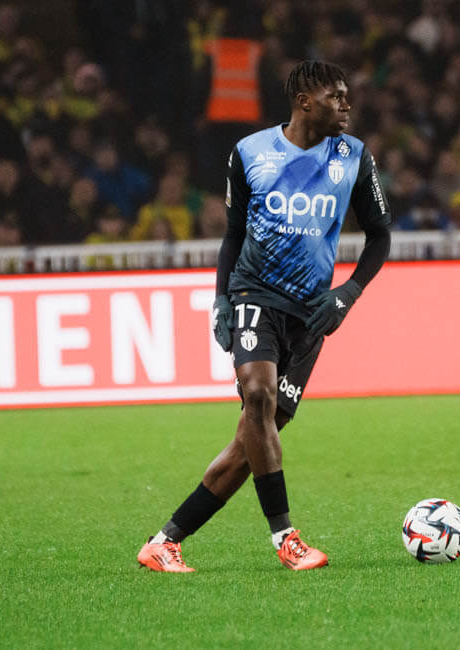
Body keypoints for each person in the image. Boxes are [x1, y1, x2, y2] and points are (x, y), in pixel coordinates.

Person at [137, 60, 392, 573]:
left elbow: (380, 236)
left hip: (312, 312)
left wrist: (347, 294)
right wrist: (221, 299)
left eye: (347, 95)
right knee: (258, 395)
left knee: (252, 439)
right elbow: (233, 234)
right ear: (304, 101)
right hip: (255, 293)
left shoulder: (354, 157)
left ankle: (164, 542)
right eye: (336, 96)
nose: (346, 104)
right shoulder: (250, 152)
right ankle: (286, 538)